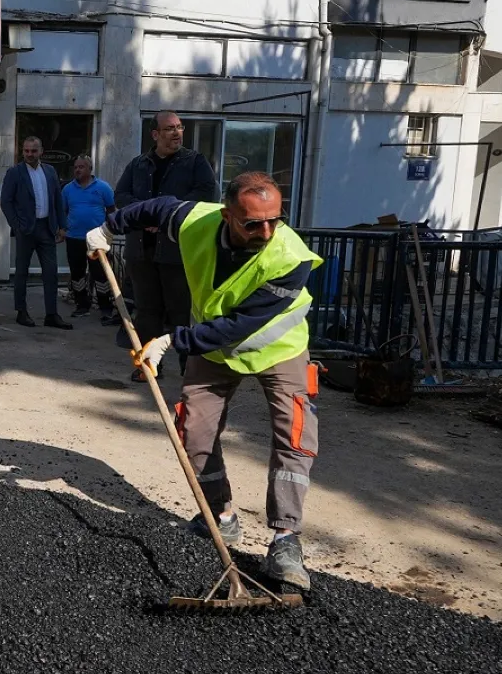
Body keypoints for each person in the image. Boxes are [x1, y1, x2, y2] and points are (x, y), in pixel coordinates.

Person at [87, 171, 322, 591]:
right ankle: (221, 516)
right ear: (227, 214)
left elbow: (239, 326)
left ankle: (286, 539)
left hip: (278, 349)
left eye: (275, 219)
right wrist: (107, 228)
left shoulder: (291, 258)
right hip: (213, 351)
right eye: (253, 223)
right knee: (193, 431)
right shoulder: (197, 220)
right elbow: (155, 208)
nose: (266, 231)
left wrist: (171, 341)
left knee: (294, 437)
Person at [113, 112, 219, 379]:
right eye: (170, 128)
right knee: (147, 311)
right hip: (142, 251)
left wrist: (166, 218)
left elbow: (207, 194)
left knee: (181, 312)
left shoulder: (194, 162)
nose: (177, 133)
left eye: (179, 127)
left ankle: (189, 368)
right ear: (155, 134)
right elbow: (121, 195)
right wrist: (145, 215)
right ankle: (149, 365)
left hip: (177, 251)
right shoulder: (138, 164)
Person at [0, 136, 72, 329]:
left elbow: (57, 199)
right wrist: (16, 226)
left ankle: (52, 314)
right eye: (26, 151)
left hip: (47, 228)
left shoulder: (50, 171)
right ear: (22, 152)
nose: (29, 154)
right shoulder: (15, 173)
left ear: (41, 152)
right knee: (21, 272)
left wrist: (62, 226)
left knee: (51, 273)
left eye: (33, 151)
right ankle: (21, 312)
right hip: (26, 229)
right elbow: (6, 201)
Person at [59, 154, 116, 320]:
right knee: (77, 273)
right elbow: (63, 211)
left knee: (100, 273)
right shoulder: (68, 189)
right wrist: (62, 229)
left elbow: (112, 211)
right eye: (75, 167)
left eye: (81, 167)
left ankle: (106, 307)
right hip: (74, 238)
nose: (77, 170)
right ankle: (82, 305)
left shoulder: (103, 188)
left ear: (90, 169)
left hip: (97, 239)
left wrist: (109, 230)